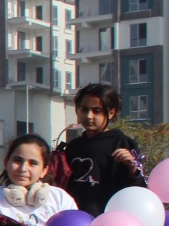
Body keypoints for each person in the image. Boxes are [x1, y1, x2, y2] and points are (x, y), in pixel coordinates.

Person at [62, 83, 145, 214]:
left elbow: (137, 190)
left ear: (111, 113)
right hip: (75, 218)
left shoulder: (122, 143)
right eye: (84, 109)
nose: (89, 116)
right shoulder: (73, 146)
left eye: (96, 111)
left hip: (109, 218)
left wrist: (132, 168)